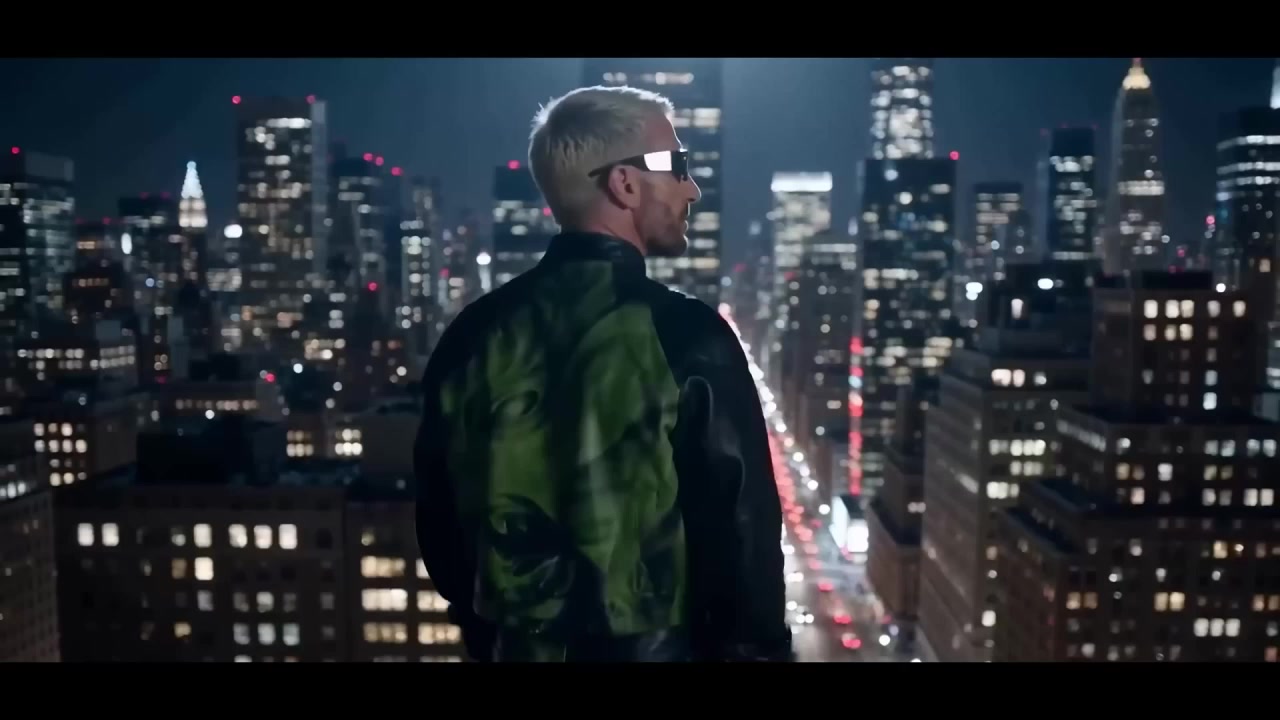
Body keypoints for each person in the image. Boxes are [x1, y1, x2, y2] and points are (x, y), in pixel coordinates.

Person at [414, 85, 790, 662]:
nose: (691, 187)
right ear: (624, 183)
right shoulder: (690, 338)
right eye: (677, 164)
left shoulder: (471, 336)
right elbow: (745, 540)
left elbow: (441, 528)